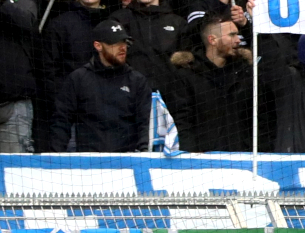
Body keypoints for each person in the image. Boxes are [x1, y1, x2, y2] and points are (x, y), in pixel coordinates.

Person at [49, 19, 151, 153]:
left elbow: (145, 124)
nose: (122, 48)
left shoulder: (137, 80)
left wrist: (144, 154)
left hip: (127, 163)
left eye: (124, 42)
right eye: (114, 43)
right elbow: (62, 121)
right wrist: (56, 158)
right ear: (98, 46)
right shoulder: (78, 79)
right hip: (88, 164)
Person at [160, 12, 254, 153]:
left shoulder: (244, 72)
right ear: (212, 40)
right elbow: (183, 123)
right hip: (203, 162)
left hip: (243, 160)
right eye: (231, 35)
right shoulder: (186, 75)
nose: (238, 40)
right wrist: (190, 159)